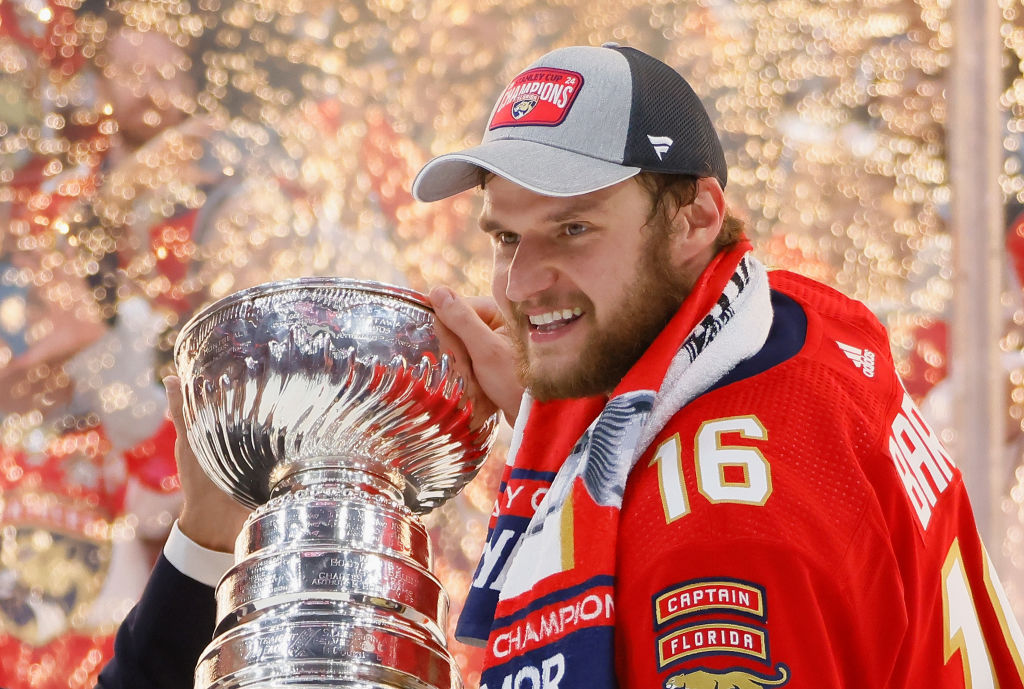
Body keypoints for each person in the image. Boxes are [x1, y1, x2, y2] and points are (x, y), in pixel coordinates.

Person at [96, 44, 1024, 689]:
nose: (524, 280)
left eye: (574, 228)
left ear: (699, 215)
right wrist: (556, 425)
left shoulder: (713, 530)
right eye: (508, 234)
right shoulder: (793, 332)